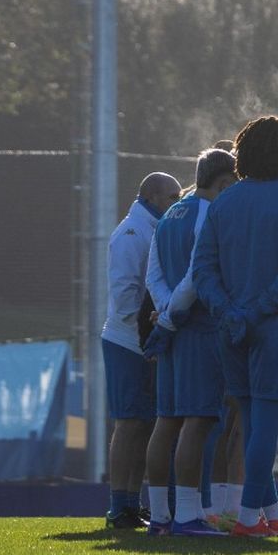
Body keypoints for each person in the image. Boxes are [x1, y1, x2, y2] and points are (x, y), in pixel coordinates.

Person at [192, 115, 278, 538]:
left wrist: (229, 311)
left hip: (230, 326)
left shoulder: (224, 202)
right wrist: (259, 309)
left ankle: (271, 510)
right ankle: (249, 519)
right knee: (265, 421)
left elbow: (203, 269)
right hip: (274, 323)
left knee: (249, 419)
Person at [140, 149, 236, 536]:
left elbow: (153, 274)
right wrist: (171, 314)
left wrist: (163, 311)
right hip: (196, 327)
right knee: (197, 421)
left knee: (167, 420)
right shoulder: (208, 213)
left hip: (172, 330)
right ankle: (188, 516)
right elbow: (199, 274)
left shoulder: (170, 214)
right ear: (224, 181)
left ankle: (160, 516)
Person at [101, 171, 180, 529]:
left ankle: (133, 502)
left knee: (147, 424)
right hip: (127, 341)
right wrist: (148, 324)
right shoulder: (132, 233)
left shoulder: (151, 228)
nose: (176, 204)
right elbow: (124, 293)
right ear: (151, 197)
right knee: (129, 423)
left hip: (145, 339)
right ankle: (120, 504)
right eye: (171, 197)